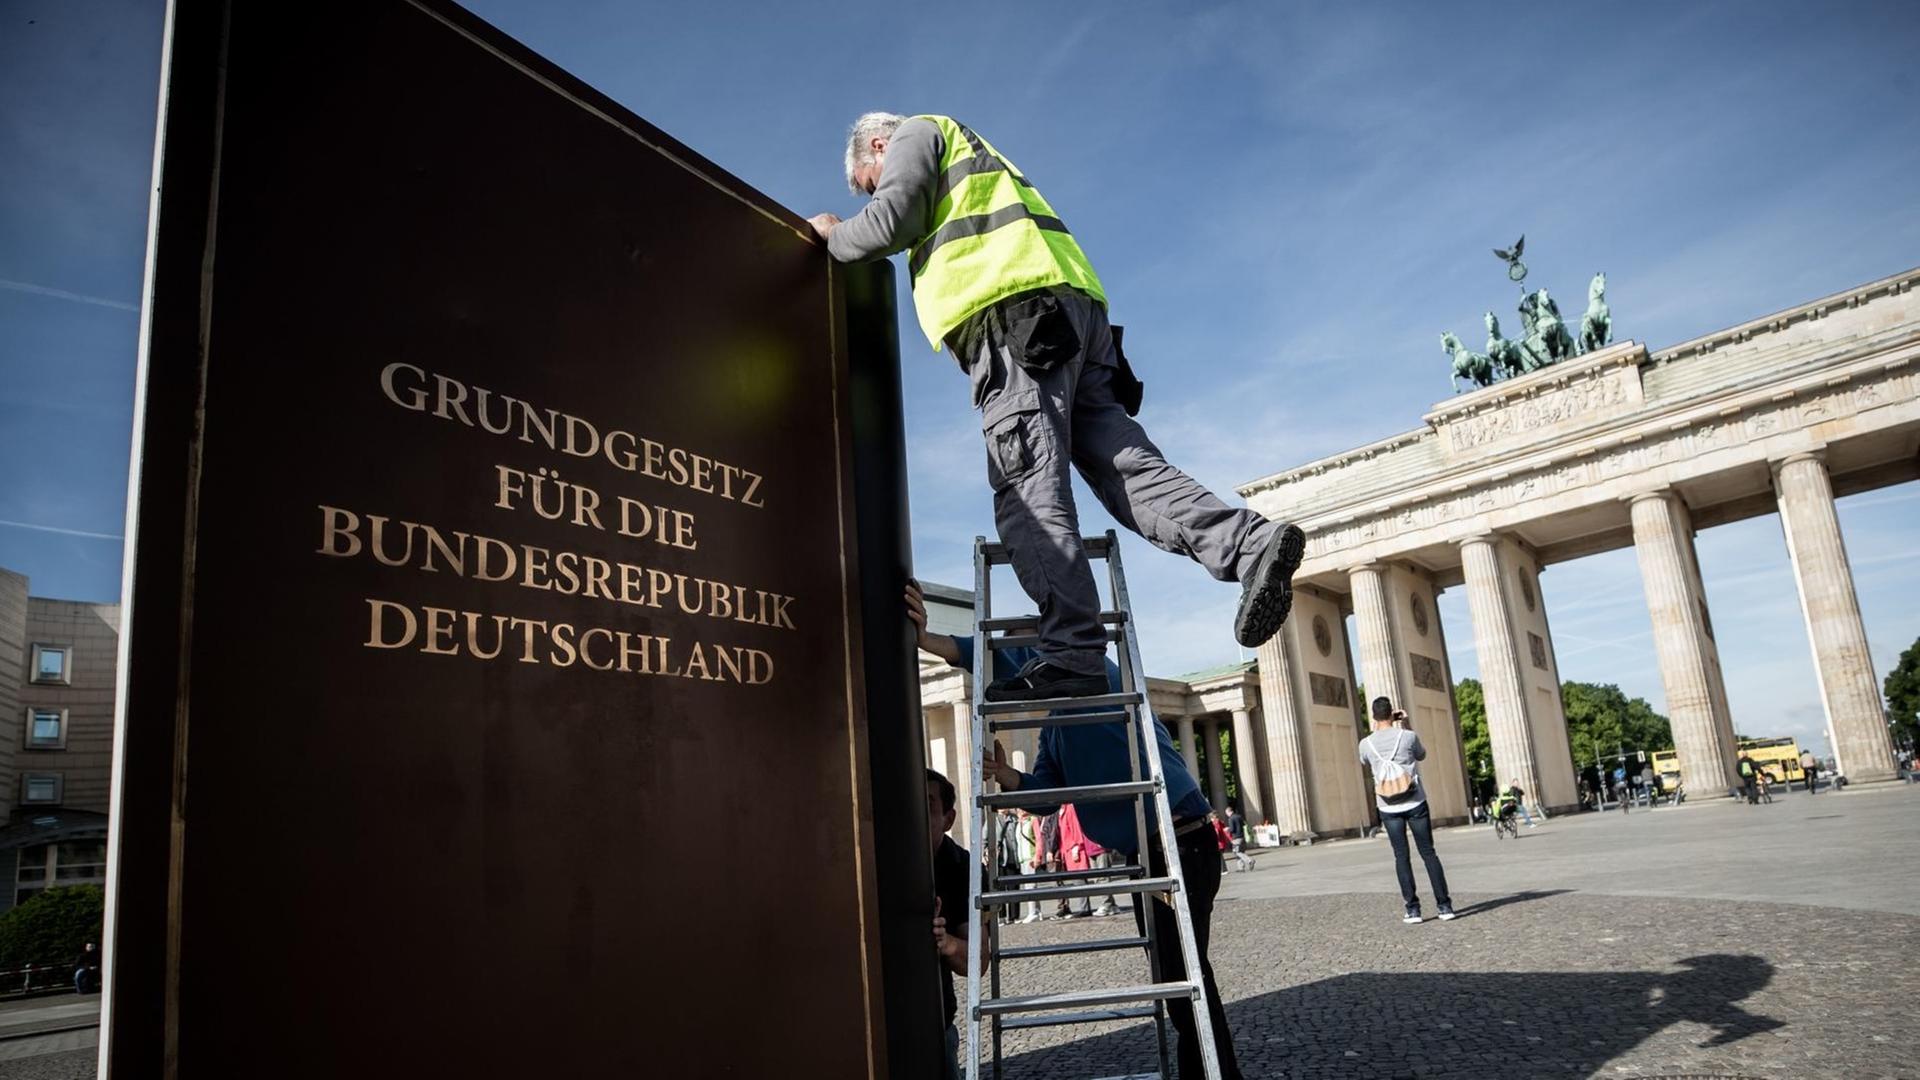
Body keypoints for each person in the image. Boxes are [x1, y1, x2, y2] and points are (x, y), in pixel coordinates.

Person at [814, 114, 1305, 703]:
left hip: (1015, 322)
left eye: (870, 180)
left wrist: (832, 236)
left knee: (1027, 490)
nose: (876, 190)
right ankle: (1250, 545)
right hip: (1072, 322)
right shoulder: (977, 157)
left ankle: (1072, 653)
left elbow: (894, 219)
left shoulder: (918, 134)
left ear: (876, 145)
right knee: (1130, 473)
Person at [906, 582, 1245, 1079]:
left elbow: (1027, 648)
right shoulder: (1058, 724)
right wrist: (1009, 778)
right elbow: (1047, 794)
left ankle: (1216, 1073)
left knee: (1184, 972)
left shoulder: (1098, 672)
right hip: (1149, 851)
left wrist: (936, 643)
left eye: (1028, 651)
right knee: (1175, 972)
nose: (1025, 662)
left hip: (1180, 838)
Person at [1357, 698, 1454, 923]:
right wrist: (1406, 724)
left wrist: (1375, 734)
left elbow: (1364, 761)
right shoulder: (1407, 736)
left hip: (1388, 806)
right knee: (1428, 853)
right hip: (1415, 801)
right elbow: (1421, 755)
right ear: (1392, 714)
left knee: (1401, 856)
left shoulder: (1366, 743)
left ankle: (1413, 910)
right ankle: (1444, 906)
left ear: (1373, 717)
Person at [926, 770, 975, 1080]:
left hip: (936, 1025)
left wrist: (948, 943)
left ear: (948, 818)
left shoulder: (962, 867)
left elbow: (977, 962)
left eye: (927, 806)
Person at [1224, 805, 1255, 872]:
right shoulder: (1239, 816)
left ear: (1229, 812)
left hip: (1236, 838)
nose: (1226, 815)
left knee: (1237, 852)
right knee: (1240, 851)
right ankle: (1241, 867)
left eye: (1226, 813)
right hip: (1242, 836)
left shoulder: (1231, 819)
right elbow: (1244, 825)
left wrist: (1227, 829)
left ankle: (1250, 860)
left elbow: (1232, 829)